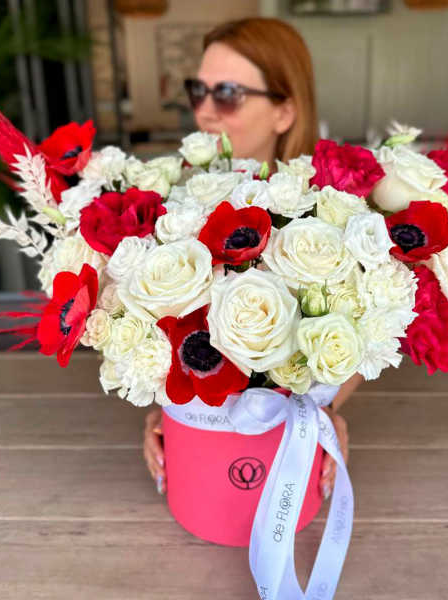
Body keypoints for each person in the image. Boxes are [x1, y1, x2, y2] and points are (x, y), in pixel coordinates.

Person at [143, 17, 363, 498]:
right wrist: (168, 409)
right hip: (203, 468)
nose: (205, 112)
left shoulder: (332, 219)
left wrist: (325, 411)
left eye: (227, 94)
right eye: (197, 91)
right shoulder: (172, 211)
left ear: (284, 111)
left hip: (285, 464)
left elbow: (360, 338)